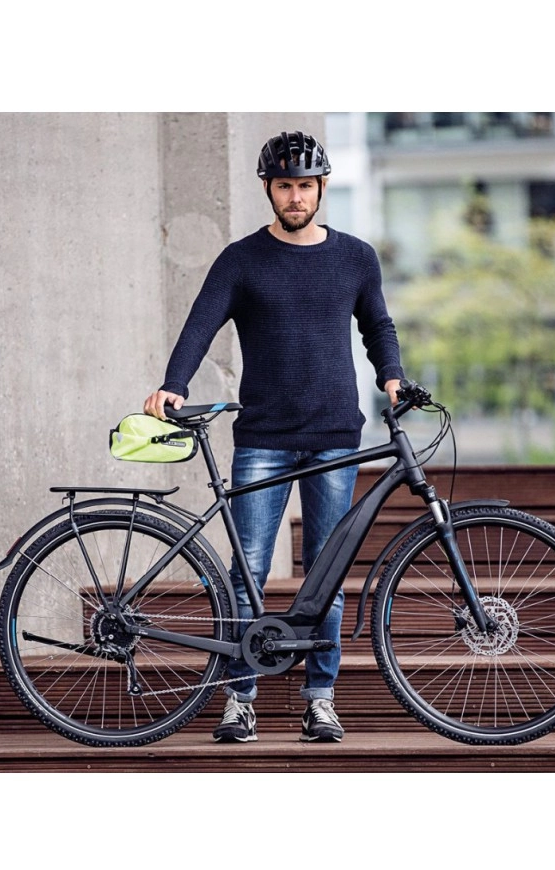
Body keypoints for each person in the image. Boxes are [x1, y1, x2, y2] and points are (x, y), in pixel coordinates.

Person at [144, 130, 404, 743]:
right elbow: (200, 324)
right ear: (268, 188)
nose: (295, 197)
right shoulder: (241, 260)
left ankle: (320, 700)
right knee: (248, 574)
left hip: (335, 436)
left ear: (322, 187)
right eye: (284, 186)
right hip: (263, 437)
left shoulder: (356, 258)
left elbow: (378, 326)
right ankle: (240, 700)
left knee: (326, 576)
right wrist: (173, 384)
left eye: (305, 186)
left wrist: (392, 376)